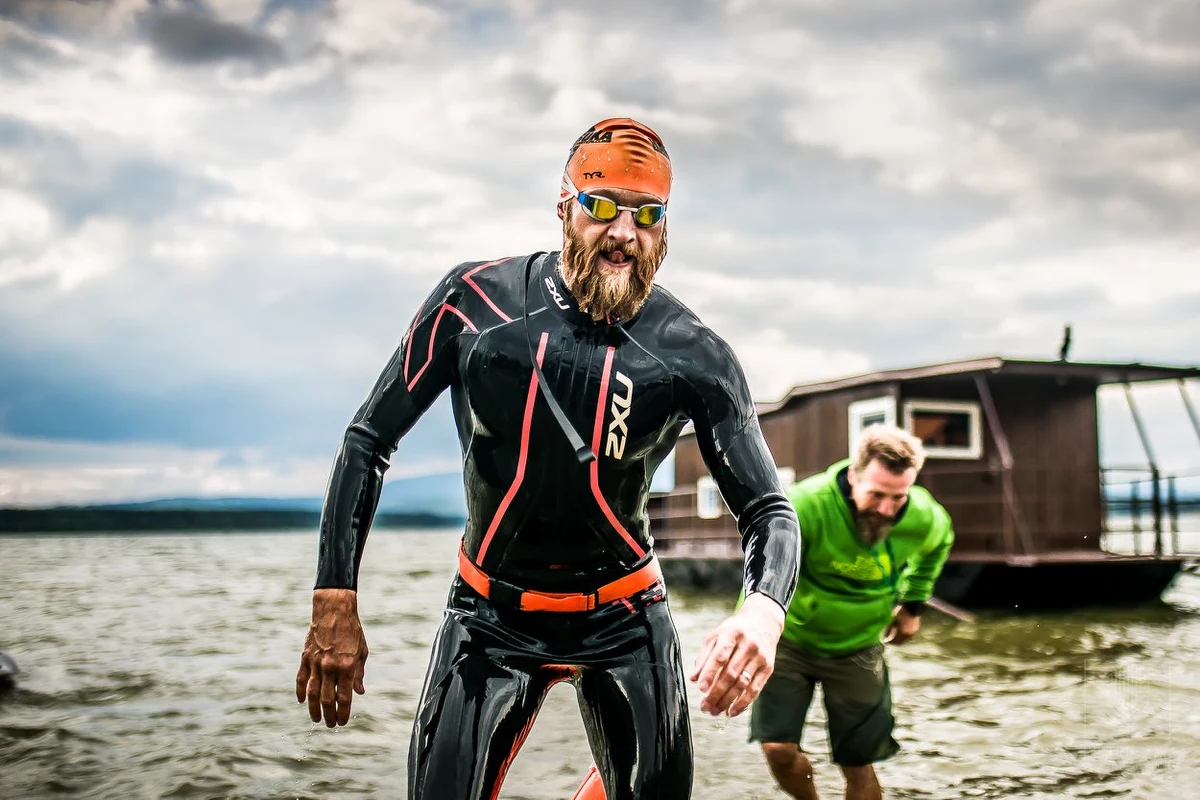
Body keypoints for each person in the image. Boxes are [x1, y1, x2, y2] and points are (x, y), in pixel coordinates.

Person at [295, 117, 801, 800]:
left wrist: (762, 613)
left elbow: (769, 510)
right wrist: (335, 596)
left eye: (647, 214)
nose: (625, 232)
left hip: (626, 618)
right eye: (603, 206)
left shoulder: (694, 354)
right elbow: (368, 439)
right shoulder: (475, 302)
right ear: (565, 207)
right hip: (489, 616)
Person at [750, 425, 954, 800]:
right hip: (792, 640)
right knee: (778, 749)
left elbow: (939, 545)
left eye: (899, 497)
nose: (887, 509)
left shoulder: (924, 515)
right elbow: (766, 570)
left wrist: (912, 606)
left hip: (860, 644)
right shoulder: (805, 505)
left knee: (858, 761)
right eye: (877, 494)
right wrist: (752, 635)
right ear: (853, 475)